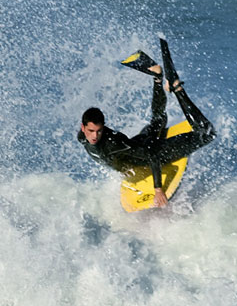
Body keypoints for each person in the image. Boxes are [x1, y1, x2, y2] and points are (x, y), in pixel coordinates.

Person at [77, 55, 216, 208]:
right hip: (139, 141)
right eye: (91, 131)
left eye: (99, 131)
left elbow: (152, 154)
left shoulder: (112, 144)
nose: (94, 136)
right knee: (159, 120)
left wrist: (158, 189)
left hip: (157, 151)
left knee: (207, 134)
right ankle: (157, 77)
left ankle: (177, 89)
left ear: (103, 127)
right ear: (83, 128)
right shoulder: (82, 137)